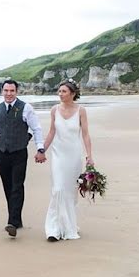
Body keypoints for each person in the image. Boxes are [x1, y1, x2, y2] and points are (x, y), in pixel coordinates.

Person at [0, 79, 46, 238]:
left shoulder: (26, 108)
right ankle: (16, 220)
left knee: (17, 186)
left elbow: (36, 128)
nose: (9, 94)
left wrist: (40, 147)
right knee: (7, 187)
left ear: (16, 92)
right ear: (2, 91)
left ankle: (12, 221)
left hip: (19, 152)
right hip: (2, 153)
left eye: (12, 91)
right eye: (6, 91)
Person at [42, 79, 94, 241]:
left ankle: (68, 226)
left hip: (73, 156)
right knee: (58, 189)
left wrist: (89, 156)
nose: (60, 94)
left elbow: (85, 134)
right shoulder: (54, 110)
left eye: (64, 91)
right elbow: (51, 132)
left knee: (70, 192)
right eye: (59, 91)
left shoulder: (81, 111)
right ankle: (53, 230)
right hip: (58, 155)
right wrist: (41, 150)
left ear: (72, 94)